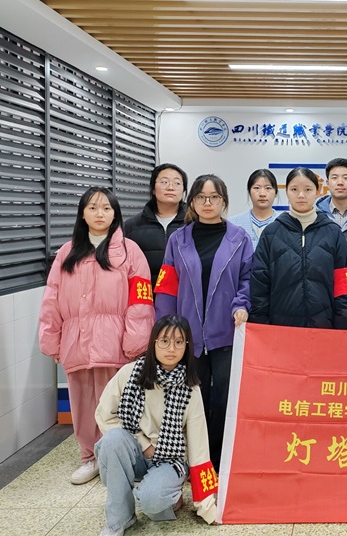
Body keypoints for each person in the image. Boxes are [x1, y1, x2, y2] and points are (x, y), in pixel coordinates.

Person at [39, 187, 154, 485]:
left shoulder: (130, 251)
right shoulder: (67, 253)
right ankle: (88, 457)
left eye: (106, 208)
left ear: (115, 214)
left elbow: (141, 300)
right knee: (81, 402)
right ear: (82, 214)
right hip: (76, 342)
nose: (99, 213)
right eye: (92, 208)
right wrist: (52, 341)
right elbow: (51, 298)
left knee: (116, 404)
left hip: (114, 344)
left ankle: (115, 458)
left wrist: (135, 340)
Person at [154, 174, 253, 469]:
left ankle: (221, 460)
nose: (207, 203)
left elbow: (248, 280)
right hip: (187, 335)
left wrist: (242, 305)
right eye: (201, 197)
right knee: (192, 399)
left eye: (214, 197)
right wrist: (166, 328)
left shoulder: (239, 238)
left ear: (224, 201)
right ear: (192, 202)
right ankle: (196, 460)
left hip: (227, 332)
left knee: (224, 400)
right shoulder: (178, 239)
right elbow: (167, 286)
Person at [94, 315, 217, 536]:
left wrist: (207, 507)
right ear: (153, 343)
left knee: (153, 503)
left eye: (179, 342)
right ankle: (119, 519)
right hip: (134, 453)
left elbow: (199, 449)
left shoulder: (191, 388)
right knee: (112, 441)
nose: (171, 348)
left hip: (171, 461)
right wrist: (144, 444)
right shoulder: (130, 373)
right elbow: (104, 415)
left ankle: (165, 495)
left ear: (187, 346)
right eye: (165, 341)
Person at [251, 167, 347, 328]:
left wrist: (344, 327)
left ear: (317, 192)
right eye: (294, 189)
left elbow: (345, 286)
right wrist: (262, 326)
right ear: (286, 192)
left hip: (324, 328)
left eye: (308, 189)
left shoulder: (333, 232)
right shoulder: (272, 233)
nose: (301, 195)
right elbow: (259, 284)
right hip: (281, 329)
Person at [124, 163, 188, 286]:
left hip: (185, 296)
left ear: (183, 190)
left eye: (177, 183)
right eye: (164, 182)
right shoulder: (131, 227)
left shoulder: (194, 224)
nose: (170, 187)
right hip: (146, 295)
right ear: (153, 188)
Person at [228, 169, 282, 250]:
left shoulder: (285, 223)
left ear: (276, 192)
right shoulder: (233, 224)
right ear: (249, 192)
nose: (262, 194)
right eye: (257, 188)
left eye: (268, 188)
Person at [315, 157, 347, 252]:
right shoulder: (315, 214)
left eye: (346, 178)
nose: (340, 182)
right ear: (327, 183)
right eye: (334, 178)